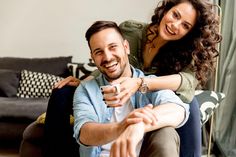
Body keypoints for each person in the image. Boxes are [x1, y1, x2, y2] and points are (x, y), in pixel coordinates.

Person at [43, 0, 222, 156]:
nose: (175, 25)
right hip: (119, 90)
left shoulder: (185, 53)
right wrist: (86, 82)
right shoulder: (132, 31)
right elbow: (111, 59)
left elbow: (187, 83)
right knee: (63, 92)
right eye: (175, 15)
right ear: (167, 9)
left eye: (185, 25)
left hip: (151, 96)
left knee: (190, 104)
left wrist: (140, 84)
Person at [73, 20, 189, 157]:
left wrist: (138, 126)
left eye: (113, 47)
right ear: (92, 57)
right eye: (99, 52)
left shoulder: (149, 84)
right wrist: (122, 126)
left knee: (166, 133)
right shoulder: (86, 90)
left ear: (126, 47)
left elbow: (178, 109)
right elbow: (84, 133)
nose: (108, 57)